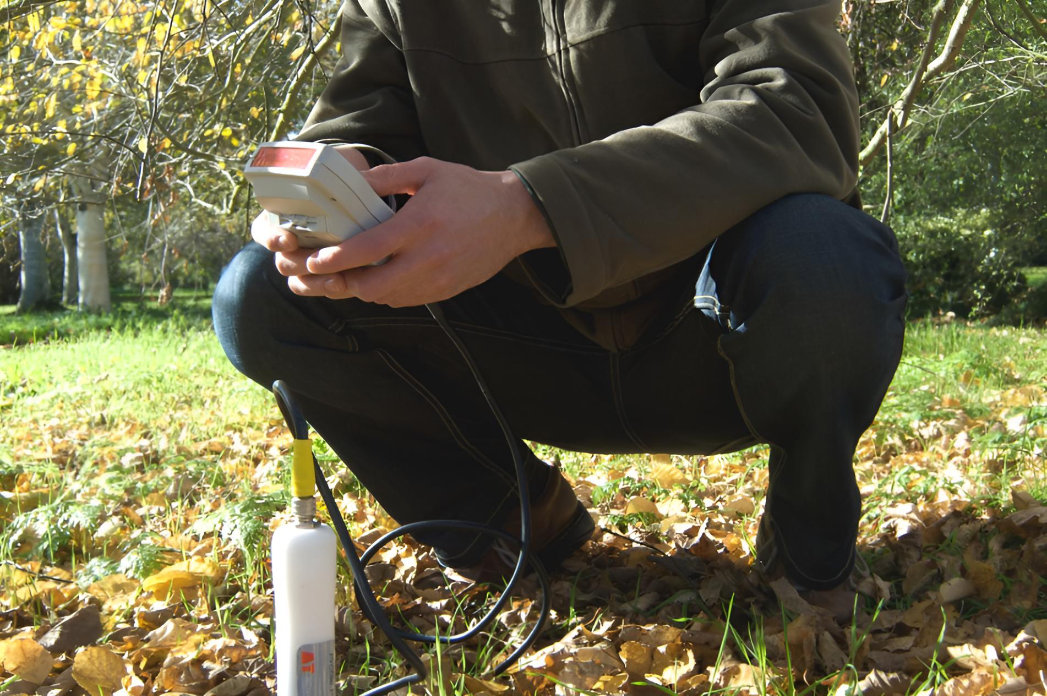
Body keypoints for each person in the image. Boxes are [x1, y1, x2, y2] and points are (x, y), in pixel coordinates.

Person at [212, 0, 907, 604]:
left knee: (824, 253)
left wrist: (528, 207)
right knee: (261, 295)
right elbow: (362, 125)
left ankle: (807, 542)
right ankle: (512, 519)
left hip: (711, 335)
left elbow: (798, 112)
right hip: (519, 344)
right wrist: (334, 182)